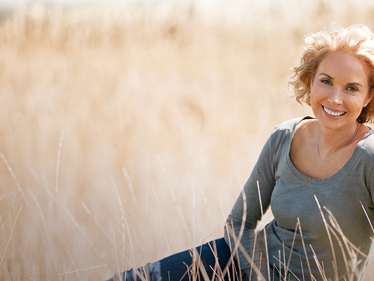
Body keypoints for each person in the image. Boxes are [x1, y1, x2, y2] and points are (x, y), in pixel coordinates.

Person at [106, 24, 374, 281]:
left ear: (369, 96)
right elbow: (237, 223)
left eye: (351, 88)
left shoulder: (368, 157)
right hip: (241, 263)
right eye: (326, 81)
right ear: (311, 80)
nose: (335, 98)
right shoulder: (284, 137)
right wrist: (261, 275)